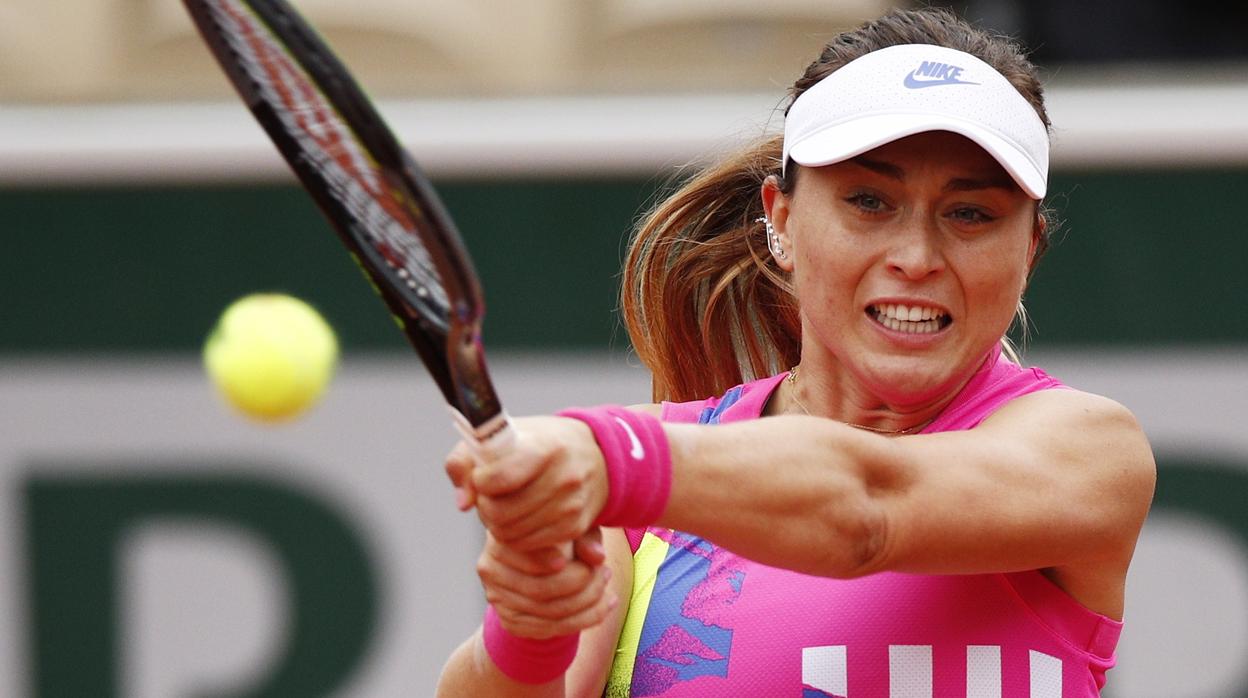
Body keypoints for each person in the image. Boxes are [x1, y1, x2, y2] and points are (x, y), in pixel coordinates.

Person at [436, 7, 1155, 697]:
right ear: (780, 218)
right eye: (869, 202)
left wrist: (610, 458)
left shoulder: (1089, 451)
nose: (916, 257)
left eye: (970, 214)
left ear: (1028, 251)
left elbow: (868, 507)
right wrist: (529, 632)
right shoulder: (634, 503)